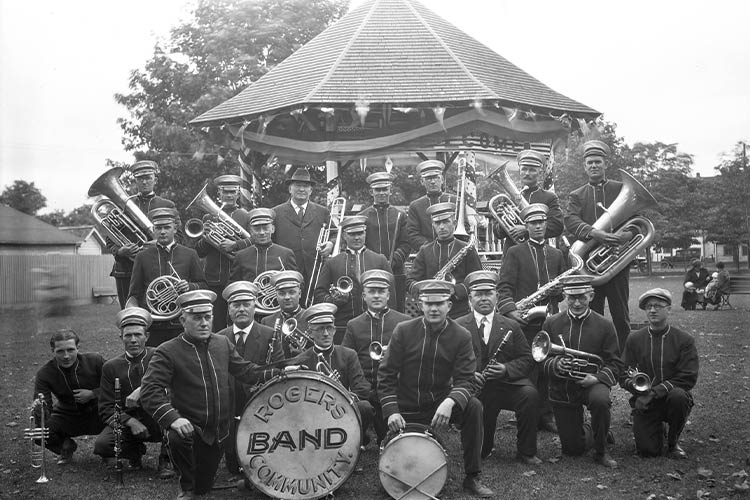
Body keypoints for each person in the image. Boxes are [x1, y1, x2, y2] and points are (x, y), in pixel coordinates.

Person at [140, 290, 293, 499]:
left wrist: (281, 372)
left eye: (207, 317)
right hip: (190, 429)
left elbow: (247, 371)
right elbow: (150, 390)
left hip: (220, 431)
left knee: (203, 487)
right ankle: (185, 485)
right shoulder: (167, 351)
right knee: (181, 450)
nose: (204, 323)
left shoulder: (222, 343)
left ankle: (197, 483)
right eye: (197, 318)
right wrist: (173, 419)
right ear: (183, 320)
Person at [378, 280, 494, 498]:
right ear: (420, 305)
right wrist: (392, 410)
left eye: (439, 303)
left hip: (440, 404)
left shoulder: (461, 335)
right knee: (397, 470)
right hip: (406, 404)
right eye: (428, 304)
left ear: (449, 305)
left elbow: (467, 379)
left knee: (474, 407)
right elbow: (386, 374)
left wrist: (451, 401)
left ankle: (473, 476)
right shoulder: (403, 331)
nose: (433, 309)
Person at [457, 270, 542, 465]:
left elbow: (527, 358)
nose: (484, 298)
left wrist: (505, 369)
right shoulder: (458, 325)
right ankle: (482, 446)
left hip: (507, 384)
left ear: (497, 296)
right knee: (482, 451)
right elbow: (449, 362)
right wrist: (470, 374)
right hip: (476, 388)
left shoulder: (511, 325)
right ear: (470, 298)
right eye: (479, 294)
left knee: (530, 395)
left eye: (488, 293)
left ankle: (526, 452)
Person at [497, 203, 568, 432]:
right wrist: (510, 311)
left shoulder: (556, 254)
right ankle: (525, 411)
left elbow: (561, 290)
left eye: (541, 222)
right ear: (526, 226)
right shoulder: (515, 252)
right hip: (524, 319)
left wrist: (558, 290)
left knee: (546, 366)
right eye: (533, 223)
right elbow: (504, 286)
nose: (538, 227)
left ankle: (546, 415)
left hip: (549, 318)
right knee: (527, 367)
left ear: (547, 224)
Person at [540, 275, 624, 468]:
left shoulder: (605, 325)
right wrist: (555, 365)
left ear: (591, 296)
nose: (576, 302)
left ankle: (601, 450)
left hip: (593, 383)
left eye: (582, 297)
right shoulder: (551, 323)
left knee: (601, 401)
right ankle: (596, 430)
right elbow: (540, 359)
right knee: (572, 449)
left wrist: (596, 377)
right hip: (564, 387)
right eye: (571, 297)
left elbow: (615, 363)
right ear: (564, 296)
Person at [564, 140, 633, 351]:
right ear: (585, 166)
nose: (594, 166)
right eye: (590, 162)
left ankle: (625, 359)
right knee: (592, 314)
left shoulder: (620, 189)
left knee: (621, 315)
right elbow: (570, 220)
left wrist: (626, 236)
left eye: (598, 162)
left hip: (617, 263)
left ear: (605, 164)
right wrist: (596, 234)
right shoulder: (577, 195)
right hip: (589, 266)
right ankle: (595, 356)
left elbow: (638, 220)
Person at [94, 307, 172, 477]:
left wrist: (143, 390)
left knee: (180, 423)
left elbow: (174, 387)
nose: (133, 340)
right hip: (129, 422)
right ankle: (134, 451)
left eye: (138, 334)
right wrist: (130, 422)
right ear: (121, 337)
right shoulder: (111, 367)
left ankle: (167, 459)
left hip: (160, 417)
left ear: (147, 336)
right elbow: (106, 408)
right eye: (128, 335)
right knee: (103, 445)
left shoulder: (160, 356)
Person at [217, 281, 284, 478]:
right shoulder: (219, 337)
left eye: (246, 304)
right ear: (229, 310)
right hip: (229, 403)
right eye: (236, 305)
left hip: (260, 402)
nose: (241, 309)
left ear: (255, 306)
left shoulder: (270, 334)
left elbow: (277, 368)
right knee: (233, 467)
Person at [621, 288, 698, 459]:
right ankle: (656, 428)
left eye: (658, 306)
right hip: (644, 400)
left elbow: (688, 376)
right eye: (648, 307)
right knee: (648, 452)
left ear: (669, 309)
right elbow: (623, 374)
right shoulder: (634, 339)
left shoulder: (684, 340)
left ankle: (673, 442)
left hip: (672, 397)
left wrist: (655, 392)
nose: (653, 310)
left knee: (679, 397)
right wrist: (637, 391)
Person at [342, 270, 410, 444]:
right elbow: (346, 360)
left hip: (396, 389)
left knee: (392, 440)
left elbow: (412, 358)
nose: (377, 296)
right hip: (367, 391)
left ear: (388, 295)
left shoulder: (403, 321)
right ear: (364, 296)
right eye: (372, 291)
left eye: (381, 291)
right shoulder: (354, 325)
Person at [126, 208, 207, 346]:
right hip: (153, 324)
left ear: (175, 229)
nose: (162, 231)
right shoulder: (142, 256)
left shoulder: (190, 254)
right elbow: (134, 293)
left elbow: (204, 285)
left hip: (181, 323)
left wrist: (189, 286)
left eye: (167, 227)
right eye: (158, 228)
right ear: (153, 230)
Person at [297, 303, 374, 446]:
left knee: (365, 407)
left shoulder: (348, 354)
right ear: (310, 332)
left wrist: (344, 398)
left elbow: (362, 387)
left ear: (334, 330)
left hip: (343, 408)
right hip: (315, 411)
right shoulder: (303, 359)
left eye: (329, 328)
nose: (326, 333)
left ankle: (354, 443)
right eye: (320, 329)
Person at [106, 160, 177, 308]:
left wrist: (158, 245)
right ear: (135, 181)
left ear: (155, 180)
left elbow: (180, 238)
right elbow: (109, 238)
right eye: (140, 178)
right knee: (129, 314)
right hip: (126, 269)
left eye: (148, 177)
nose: (144, 182)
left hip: (157, 269)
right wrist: (120, 251)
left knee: (157, 310)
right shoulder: (120, 206)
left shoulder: (167, 205)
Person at [313, 215, 394, 343]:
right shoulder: (332, 263)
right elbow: (319, 293)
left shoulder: (380, 260)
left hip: (375, 325)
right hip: (342, 327)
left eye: (360, 233)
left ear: (365, 233)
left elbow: (391, 296)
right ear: (344, 236)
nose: (357, 237)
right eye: (352, 234)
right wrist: (333, 300)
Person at [33, 329, 105, 465]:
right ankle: (65, 447)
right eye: (60, 351)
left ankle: (108, 450)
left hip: (100, 413)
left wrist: (93, 394)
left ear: (78, 348)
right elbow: (44, 408)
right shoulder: (45, 373)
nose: (66, 356)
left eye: (71, 350)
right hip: (68, 416)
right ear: (52, 351)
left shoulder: (95, 360)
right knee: (39, 432)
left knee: (123, 419)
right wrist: (39, 411)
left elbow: (116, 387)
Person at [192, 174, 252, 331]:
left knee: (238, 322)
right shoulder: (208, 216)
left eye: (233, 192)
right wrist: (206, 237)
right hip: (214, 278)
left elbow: (253, 243)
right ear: (219, 194)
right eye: (225, 192)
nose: (230, 195)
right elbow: (199, 252)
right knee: (216, 323)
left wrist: (235, 244)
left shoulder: (245, 216)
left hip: (238, 275)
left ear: (238, 194)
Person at [406, 202, 482, 319]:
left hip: (459, 312)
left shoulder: (467, 249)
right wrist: (423, 291)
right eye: (437, 223)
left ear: (454, 223)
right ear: (433, 225)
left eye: (446, 221)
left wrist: (455, 290)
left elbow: (477, 279)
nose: (441, 227)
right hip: (431, 311)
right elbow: (410, 280)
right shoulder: (425, 251)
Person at [271, 168, 333, 303]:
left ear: (310, 191)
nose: (301, 189)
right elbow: (270, 242)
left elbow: (334, 234)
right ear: (290, 189)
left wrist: (330, 244)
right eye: (297, 186)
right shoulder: (275, 212)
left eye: (305, 186)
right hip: (286, 270)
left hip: (315, 271)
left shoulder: (323, 212)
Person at [359, 172, 411, 311]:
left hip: (396, 271)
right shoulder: (362, 217)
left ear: (390, 190)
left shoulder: (400, 215)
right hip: (370, 271)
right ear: (371, 192)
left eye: (385, 189)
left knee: (395, 310)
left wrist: (393, 261)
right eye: (378, 190)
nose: (382, 193)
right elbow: (359, 244)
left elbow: (406, 244)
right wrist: (375, 263)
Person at [493, 150, 564, 248]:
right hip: (512, 253)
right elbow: (498, 234)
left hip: (539, 251)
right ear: (519, 171)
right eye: (524, 169)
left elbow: (557, 227)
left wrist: (527, 230)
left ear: (540, 173)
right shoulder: (507, 198)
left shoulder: (549, 197)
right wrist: (501, 219)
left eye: (532, 170)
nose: (527, 173)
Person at [229, 207, 297, 283]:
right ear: (251, 231)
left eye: (265, 228)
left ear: (273, 229)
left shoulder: (286, 254)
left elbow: (295, 283)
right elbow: (233, 284)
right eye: (257, 229)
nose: (262, 232)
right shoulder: (241, 256)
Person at [405, 159, 458, 252]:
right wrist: (430, 248)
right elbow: (412, 234)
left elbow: (464, 226)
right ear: (422, 181)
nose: (433, 181)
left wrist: (454, 245)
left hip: (454, 251)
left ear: (442, 180)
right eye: (428, 178)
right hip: (427, 254)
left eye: (436, 177)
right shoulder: (415, 206)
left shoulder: (456, 201)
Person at [260, 270, 309, 356]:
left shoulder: (310, 318)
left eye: (291, 292)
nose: (287, 297)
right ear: (276, 296)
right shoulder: (267, 322)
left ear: (300, 294)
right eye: (282, 293)